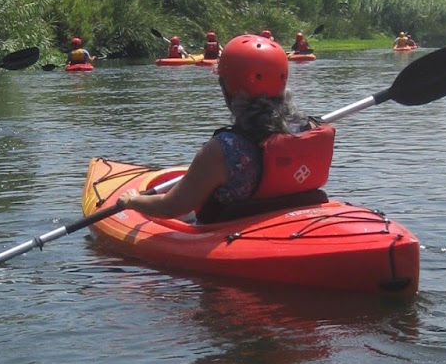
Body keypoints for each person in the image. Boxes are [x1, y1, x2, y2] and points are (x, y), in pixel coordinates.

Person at [118, 34, 335, 224]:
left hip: (238, 233)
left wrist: (132, 201)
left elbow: (172, 207)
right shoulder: (309, 127)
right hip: (294, 220)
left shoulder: (222, 151)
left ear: (228, 89)